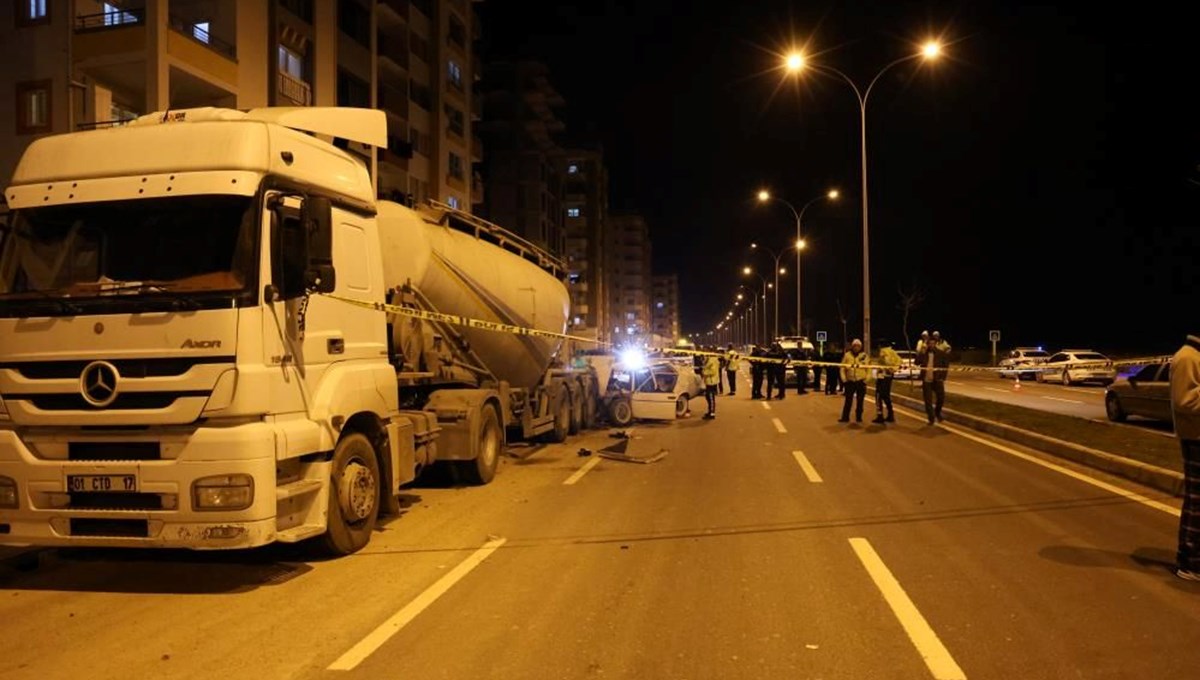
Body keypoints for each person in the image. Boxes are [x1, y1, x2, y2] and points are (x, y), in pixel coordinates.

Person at [1170, 334, 1200, 581]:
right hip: (1196, 439)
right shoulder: (1188, 357)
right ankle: (1190, 562)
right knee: (1196, 502)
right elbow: (1185, 401)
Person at [918, 330, 952, 424]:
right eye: (930, 343)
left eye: (933, 343)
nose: (931, 345)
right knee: (928, 401)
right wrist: (921, 351)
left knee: (941, 398)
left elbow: (946, 366)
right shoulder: (924, 353)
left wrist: (942, 377)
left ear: (936, 344)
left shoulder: (941, 353)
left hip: (937, 379)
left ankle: (937, 413)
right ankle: (931, 418)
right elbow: (916, 362)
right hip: (927, 380)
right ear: (928, 344)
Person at [838, 339, 868, 422]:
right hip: (850, 382)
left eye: (858, 346)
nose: (856, 348)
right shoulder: (847, 355)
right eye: (855, 346)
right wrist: (844, 380)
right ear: (852, 346)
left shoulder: (864, 356)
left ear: (861, 347)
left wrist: (866, 380)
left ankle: (859, 417)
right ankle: (845, 417)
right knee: (848, 401)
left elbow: (869, 369)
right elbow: (842, 368)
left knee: (860, 401)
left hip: (860, 382)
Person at [873, 339, 902, 423]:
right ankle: (890, 414)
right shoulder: (893, 352)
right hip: (889, 376)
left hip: (883, 376)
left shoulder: (883, 352)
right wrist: (893, 369)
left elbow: (886, 361)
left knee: (878, 396)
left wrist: (888, 367)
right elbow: (900, 361)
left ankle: (880, 415)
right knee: (886, 396)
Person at [701, 350, 721, 419]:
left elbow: (713, 371)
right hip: (709, 381)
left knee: (711, 397)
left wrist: (704, 372)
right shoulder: (709, 359)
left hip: (711, 381)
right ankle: (710, 411)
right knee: (708, 397)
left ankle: (712, 413)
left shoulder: (713, 360)